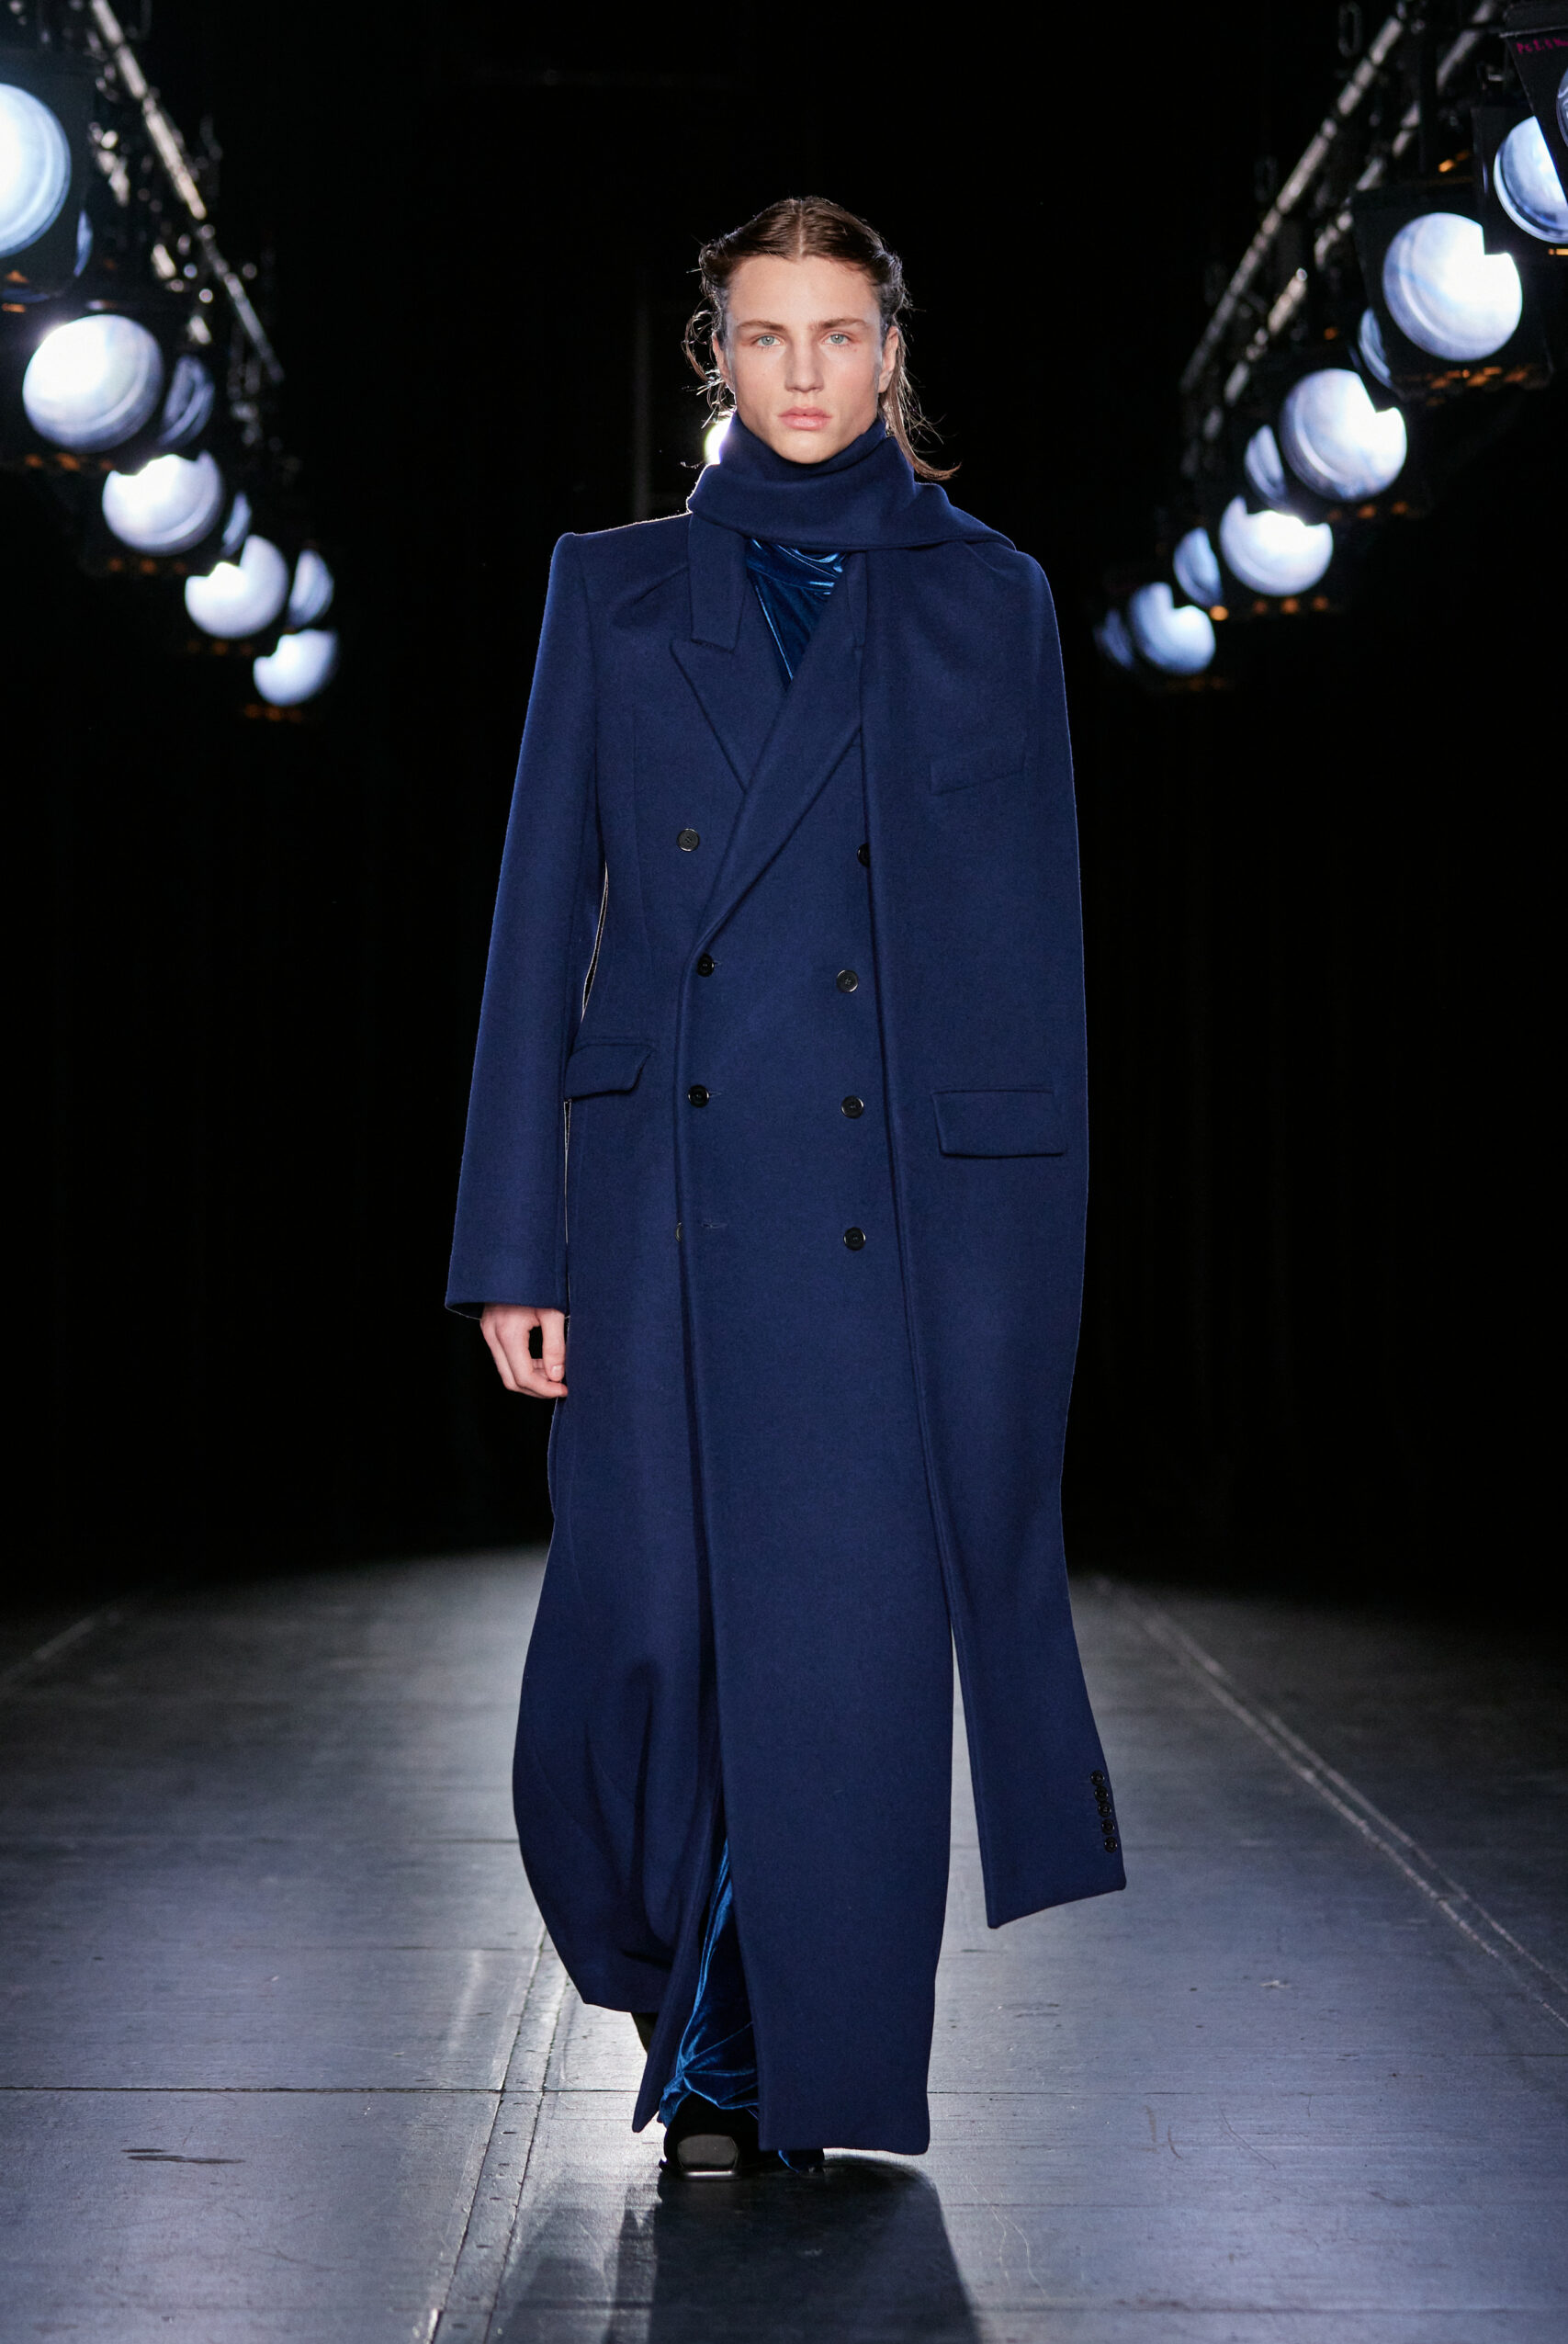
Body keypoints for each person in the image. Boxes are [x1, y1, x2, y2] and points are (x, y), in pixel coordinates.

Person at [446, 196, 1124, 2177]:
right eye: (765, 334)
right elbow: (534, 924)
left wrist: (1009, 1272)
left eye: (839, 334)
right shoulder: (610, 586)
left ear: (892, 354)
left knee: (837, 1665)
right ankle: (679, 1976)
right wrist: (511, 1239)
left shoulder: (985, 598)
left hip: (885, 1219)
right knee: (640, 1634)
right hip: (656, 1203)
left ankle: (759, 2064)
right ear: (715, 357)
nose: (804, 371)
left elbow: (1025, 961)